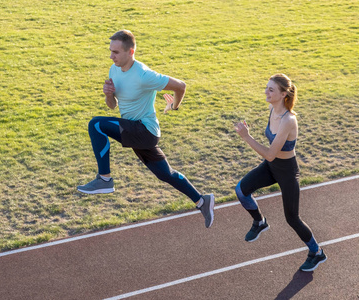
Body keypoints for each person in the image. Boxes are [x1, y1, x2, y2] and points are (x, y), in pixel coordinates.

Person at [77, 30, 214, 228]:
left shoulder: (144, 75)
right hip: (133, 130)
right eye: (110, 51)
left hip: (144, 130)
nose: (111, 56)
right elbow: (112, 106)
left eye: (115, 52)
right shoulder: (114, 70)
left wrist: (174, 106)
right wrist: (109, 94)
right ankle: (202, 201)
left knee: (96, 124)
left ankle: (104, 179)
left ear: (130, 51)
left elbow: (181, 86)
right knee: (165, 174)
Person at [234, 74, 327, 271]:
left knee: (292, 218)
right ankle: (259, 222)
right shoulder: (272, 109)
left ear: (283, 94)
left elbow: (269, 154)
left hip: (286, 171)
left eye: (271, 90)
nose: (266, 92)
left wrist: (246, 136)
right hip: (271, 168)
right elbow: (270, 159)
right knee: (241, 191)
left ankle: (316, 252)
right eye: (266, 87)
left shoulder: (289, 120)